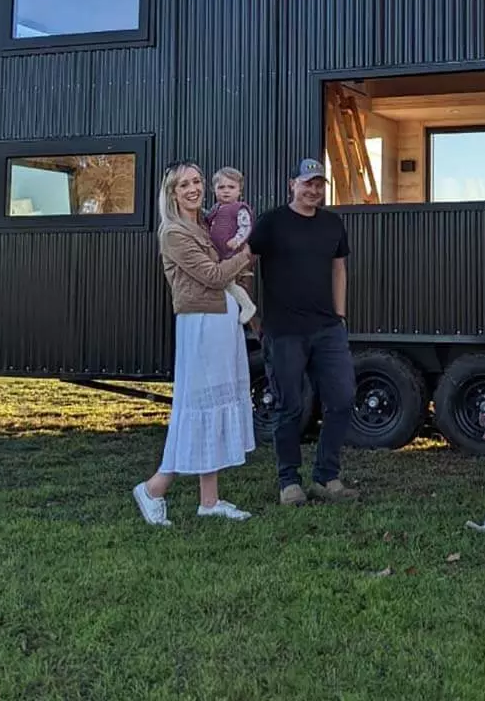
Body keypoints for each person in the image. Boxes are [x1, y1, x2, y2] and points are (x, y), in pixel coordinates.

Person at [132, 161, 256, 526]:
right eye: (184, 184)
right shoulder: (174, 233)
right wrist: (248, 253)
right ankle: (154, 488)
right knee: (196, 409)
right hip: (201, 325)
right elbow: (213, 275)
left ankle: (209, 500)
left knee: (214, 405)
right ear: (172, 192)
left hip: (220, 322)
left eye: (198, 181)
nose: (193, 189)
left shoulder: (204, 223)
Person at [248, 157, 358, 506]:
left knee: (341, 400)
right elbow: (244, 267)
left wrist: (340, 315)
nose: (313, 190)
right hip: (284, 332)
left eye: (318, 184)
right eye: (307, 183)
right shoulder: (271, 223)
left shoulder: (332, 224)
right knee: (289, 406)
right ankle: (289, 482)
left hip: (328, 329)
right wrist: (252, 316)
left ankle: (326, 477)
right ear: (291, 184)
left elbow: (339, 269)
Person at [204, 166, 258, 327]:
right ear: (214, 189)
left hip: (234, 253)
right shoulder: (215, 209)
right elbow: (207, 221)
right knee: (225, 285)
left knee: (230, 284)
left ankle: (247, 306)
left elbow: (245, 227)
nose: (226, 191)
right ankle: (234, 310)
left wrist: (237, 240)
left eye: (231, 187)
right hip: (219, 254)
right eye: (221, 187)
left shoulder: (239, 208)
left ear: (239, 190)